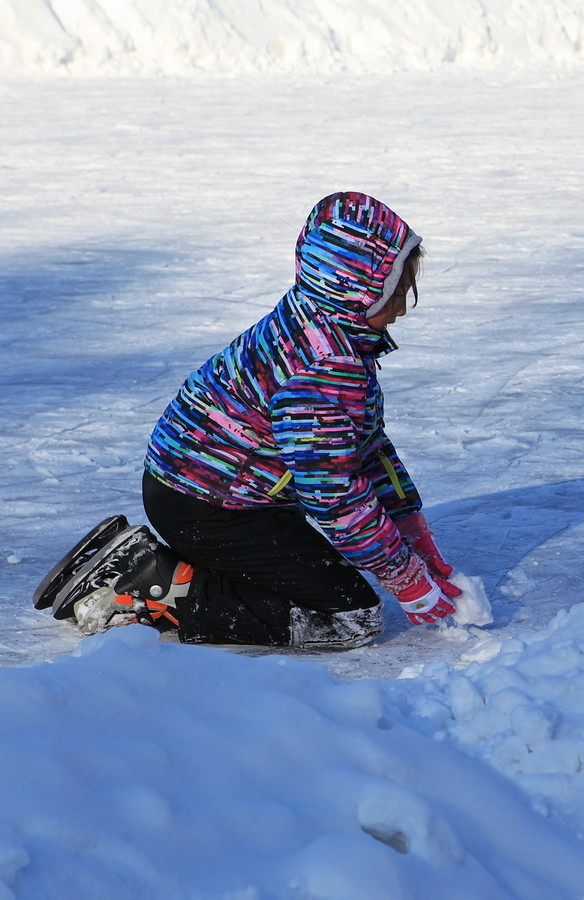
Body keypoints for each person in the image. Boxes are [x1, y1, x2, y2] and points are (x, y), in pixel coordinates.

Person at [34, 192, 463, 649]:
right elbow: (333, 493)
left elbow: (363, 449)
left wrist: (412, 532)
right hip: (208, 505)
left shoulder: (325, 323)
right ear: (351, 289)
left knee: (327, 579)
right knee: (350, 618)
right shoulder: (321, 367)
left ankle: (197, 569)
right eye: (395, 292)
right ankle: (153, 587)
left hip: (217, 489)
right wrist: (405, 578)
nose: (401, 308)